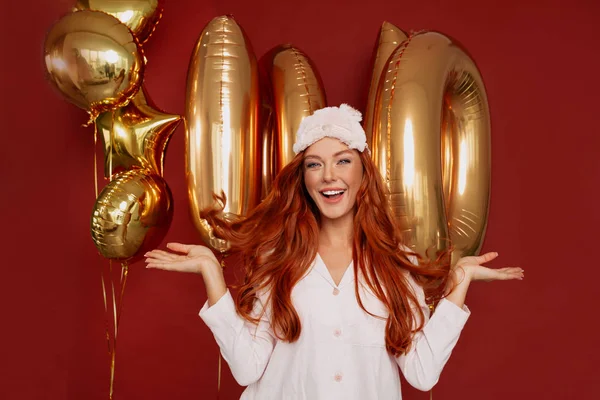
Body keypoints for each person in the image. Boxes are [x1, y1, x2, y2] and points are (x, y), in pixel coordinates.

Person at [145, 104, 524, 399]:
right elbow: (247, 369)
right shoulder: (277, 258)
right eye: (315, 165)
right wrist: (212, 275)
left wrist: (459, 283)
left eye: (343, 161)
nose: (329, 175)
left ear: (362, 174)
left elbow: (421, 373)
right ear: (304, 179)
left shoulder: (396, 263)